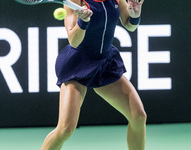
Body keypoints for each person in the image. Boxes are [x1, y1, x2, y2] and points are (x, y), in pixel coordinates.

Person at [41, 0, 146, 149]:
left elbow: (129, 25)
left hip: (105, 63)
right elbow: (74, 41)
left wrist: (135, 15)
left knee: (138, 116)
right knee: (65, 129)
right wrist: (83, 22)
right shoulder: (75, 1)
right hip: (78, 64)